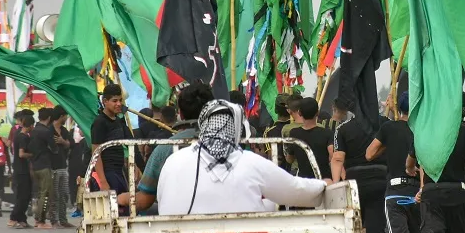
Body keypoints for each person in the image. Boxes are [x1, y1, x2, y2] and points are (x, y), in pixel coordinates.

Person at [153, 100, 326, 215]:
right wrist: (324, 185)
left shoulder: (174, 160)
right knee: (271, 205)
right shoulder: (250, 162)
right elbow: (296, 191)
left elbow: (162, 201)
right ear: (237, 128)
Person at [367, 91, 425, 233]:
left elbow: (369, 153)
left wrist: (386, 146)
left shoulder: (388, 128)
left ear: (398, 109)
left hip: (394, 193)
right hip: (416, 193)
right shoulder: (421, 129)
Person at [122, 83, 214, 214]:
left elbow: (144, 200)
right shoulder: (232, 146)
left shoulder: (165, 149)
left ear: (180, 114)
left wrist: (121, 198)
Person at [331, 97, 385, 233]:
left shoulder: (343, 129)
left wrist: (336, 185)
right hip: (380, 179)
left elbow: (338, 158)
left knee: (351, 231)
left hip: (354, 183)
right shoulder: (384, 124)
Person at [91, 85, 131, 195]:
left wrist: (134, 166)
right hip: (108, 173)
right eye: (114, 101)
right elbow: (96, 153)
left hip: (120, 171)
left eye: (120, 100)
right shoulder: (99, 122)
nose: (118, 104)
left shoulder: (119, 121)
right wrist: (103, 181)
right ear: (105, 101)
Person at [288, 97, 333, 180]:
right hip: (323, 180)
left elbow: (289, 159)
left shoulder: (294, 133)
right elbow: (332, 157)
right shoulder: (327, 133)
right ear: (317, 113)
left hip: (304, 181)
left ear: (299, 113)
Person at [30, 109, 58, 229]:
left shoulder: (34, 130)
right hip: (44, 165)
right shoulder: (46, 132)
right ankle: (40, 220)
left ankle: (38, 219)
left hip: (35, 166)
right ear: (49, 118)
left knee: (41, 193)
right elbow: (54, 148)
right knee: (46, 194)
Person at [9, 110, 35, 228]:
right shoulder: (24, 137)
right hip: (22, 171)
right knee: (23, 196)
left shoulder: (18, 135)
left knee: (24, 195)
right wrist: (32, 155)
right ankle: (14, 217)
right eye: (32, 126)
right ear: (29, 126)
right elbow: (21, 154)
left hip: (19, 170)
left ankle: (22, 220)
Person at [50, 113, 73, 227]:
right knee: (54, 195)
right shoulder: (49, 130)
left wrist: (63, 141)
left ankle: (63, 220)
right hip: (52, 167)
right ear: (61, 116)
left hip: (63, 166)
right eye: (65, 116)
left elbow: (71, 144)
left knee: (64, 194)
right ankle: (54, 220)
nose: (66, 118)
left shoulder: (64, 131)